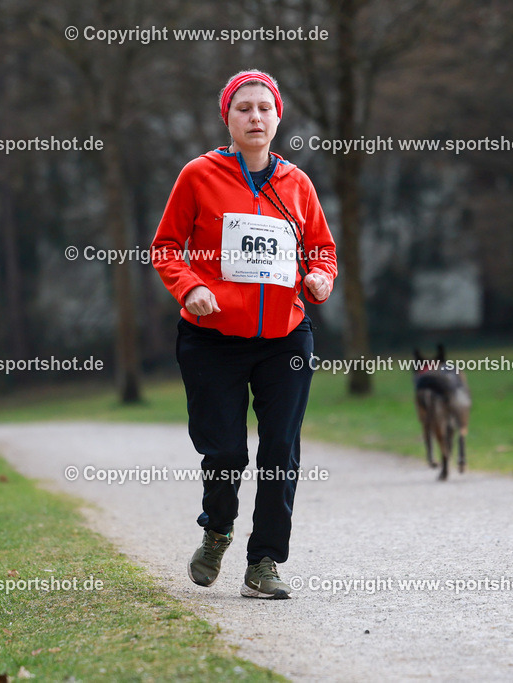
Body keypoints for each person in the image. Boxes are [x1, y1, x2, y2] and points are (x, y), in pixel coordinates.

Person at [152, 70, 337, 599]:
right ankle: (217, 528)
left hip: (285, 337)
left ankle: (265, 562)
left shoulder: (297, 183)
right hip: (212, 338)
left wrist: (321, 278)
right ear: (227, 119)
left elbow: (322, 250)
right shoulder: (198, 175)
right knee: (226, 451)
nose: (255, 117)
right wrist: (189, 288)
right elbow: (166, 246)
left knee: (281, 450)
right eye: (244, 109)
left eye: (264, 108)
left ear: (278, 117)